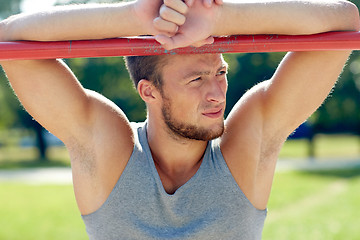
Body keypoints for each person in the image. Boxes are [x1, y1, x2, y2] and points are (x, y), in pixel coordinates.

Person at [0, 0, 359, 239]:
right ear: (148, 91)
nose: (218, 93)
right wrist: (137, 17)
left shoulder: (243, 150)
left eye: (220, 72)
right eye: (196, 80)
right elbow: (10, 40)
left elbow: (345, 21)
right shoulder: (109, 150)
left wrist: (222, 18)